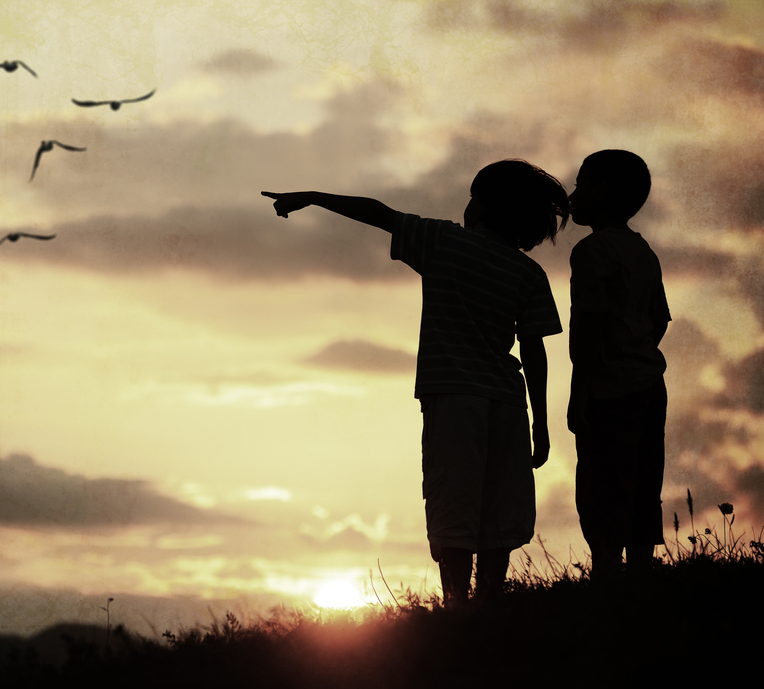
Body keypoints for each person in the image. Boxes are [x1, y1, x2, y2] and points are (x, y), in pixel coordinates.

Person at [262, 158, 568, 606]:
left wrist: (312, 197)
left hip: (455, 399)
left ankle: (457, 608)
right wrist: (541, 424)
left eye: (472, 197)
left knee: (454, 503)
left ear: (484, 205)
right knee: (500, 512)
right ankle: (488, 606)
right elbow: (534, 351)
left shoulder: (444, 241)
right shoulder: (528, 273)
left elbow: (377, 212)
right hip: (506, 401)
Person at [566, 149, 670, 582]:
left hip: (609, 391)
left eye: (581, 185)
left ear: (601, 192)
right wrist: (636, 352)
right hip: (649, 384)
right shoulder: (642, 250)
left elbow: (587, 330)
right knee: (645, 480)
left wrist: (580, 393)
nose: (572, 195)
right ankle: (642, 570)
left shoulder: (591, 251)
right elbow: (659, 318)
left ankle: (607, 572)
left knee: (601, 484)